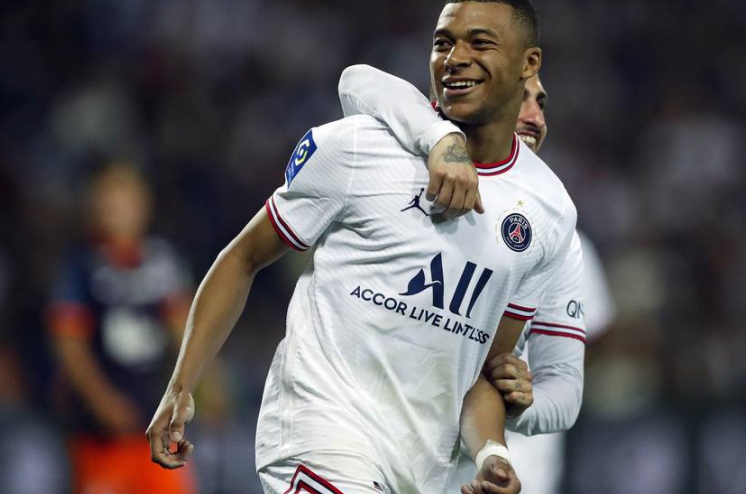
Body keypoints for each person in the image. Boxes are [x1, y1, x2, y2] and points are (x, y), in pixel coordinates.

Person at [145, 1, 580, 493]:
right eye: (442, 43)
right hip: (320, 434)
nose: (455, 58)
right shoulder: (359, 146)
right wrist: (181, 385)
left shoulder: (548, 212)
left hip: (422, 469)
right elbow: (244, 257)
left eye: (480, 43)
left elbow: (483, 373)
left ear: (528, 63)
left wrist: (492, 454)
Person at [338, 66, 616, 493]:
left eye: (540, 103)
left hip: (510, 474)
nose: (535, 117)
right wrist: (441, 139)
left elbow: (566, 391)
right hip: (388, 456)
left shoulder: (561, 238)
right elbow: (357, 81)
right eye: (519, 99)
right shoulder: (409, 194)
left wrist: (521, 402)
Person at [47, 163, 201, 494]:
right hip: (100, 434)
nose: (116, 211)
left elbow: (183, 327)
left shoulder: (161, 260)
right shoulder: (82, 264)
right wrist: (101, 400)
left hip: (155, 422)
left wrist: (202, 384)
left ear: (143, 206)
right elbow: (69, 342)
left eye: (124, 202)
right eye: (108, 203)